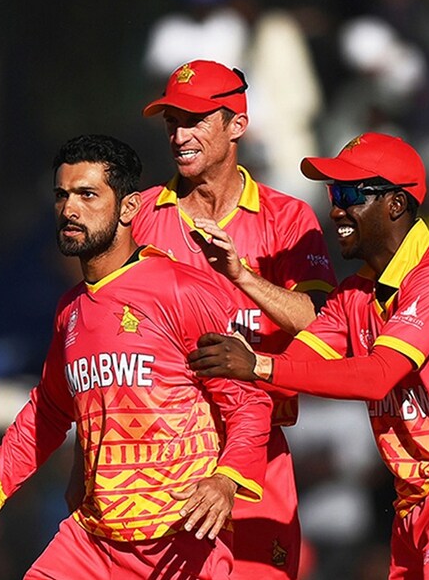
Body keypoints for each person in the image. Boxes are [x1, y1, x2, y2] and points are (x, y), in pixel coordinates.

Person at [0, 134, 272, 579]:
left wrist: (225, 481)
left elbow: (248, 403)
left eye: (88, 194)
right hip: (94, 544)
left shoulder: (181, 290)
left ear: (128, 208)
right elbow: (48, 411)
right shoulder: (70, 310)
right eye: (62, 195)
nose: (70, 209)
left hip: (180, 543)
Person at [188, 132, 429, 580]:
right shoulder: (355, 295)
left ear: (396, 204)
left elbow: (377, 376)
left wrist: (257, 363)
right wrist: (239, 277)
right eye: (333, 194)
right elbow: (293, 374)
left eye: (348, 194)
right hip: (412, 501)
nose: (335, 209)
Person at [121, 58, 337, 580]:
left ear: (237, 125)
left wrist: (242, 276)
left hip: (258, 453)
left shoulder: (287, 217)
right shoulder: (141, 214)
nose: (179, 134)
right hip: (160, 455)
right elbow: (106, 332)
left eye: (195, 119)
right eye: (171, 121)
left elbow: (319, 325)